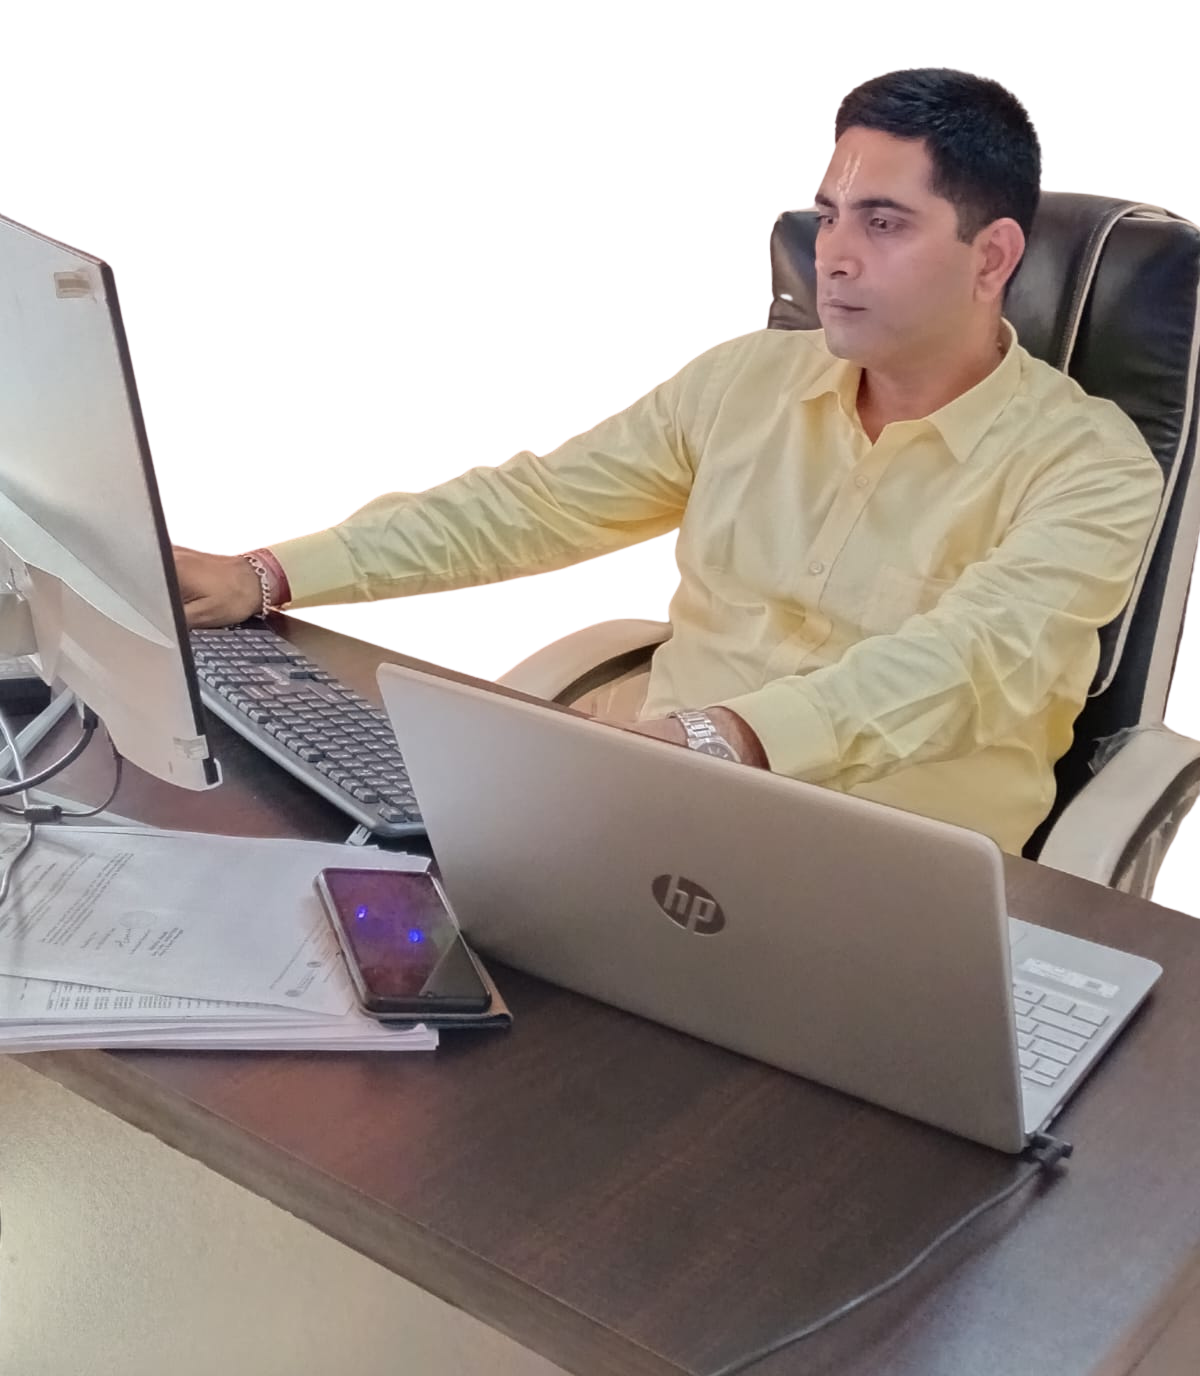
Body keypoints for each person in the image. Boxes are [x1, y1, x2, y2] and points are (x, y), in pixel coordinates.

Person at [174, 66, 1163, 856]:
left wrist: (721, 736)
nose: (834, 254)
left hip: (891, 863)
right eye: (828, 215)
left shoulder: (1091, 467)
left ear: (992, 257)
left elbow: (966, 661)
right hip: (660, 811)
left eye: (884, 222)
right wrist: (267, 573)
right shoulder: (746, 380)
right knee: (337, 878)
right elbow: (535, 506)